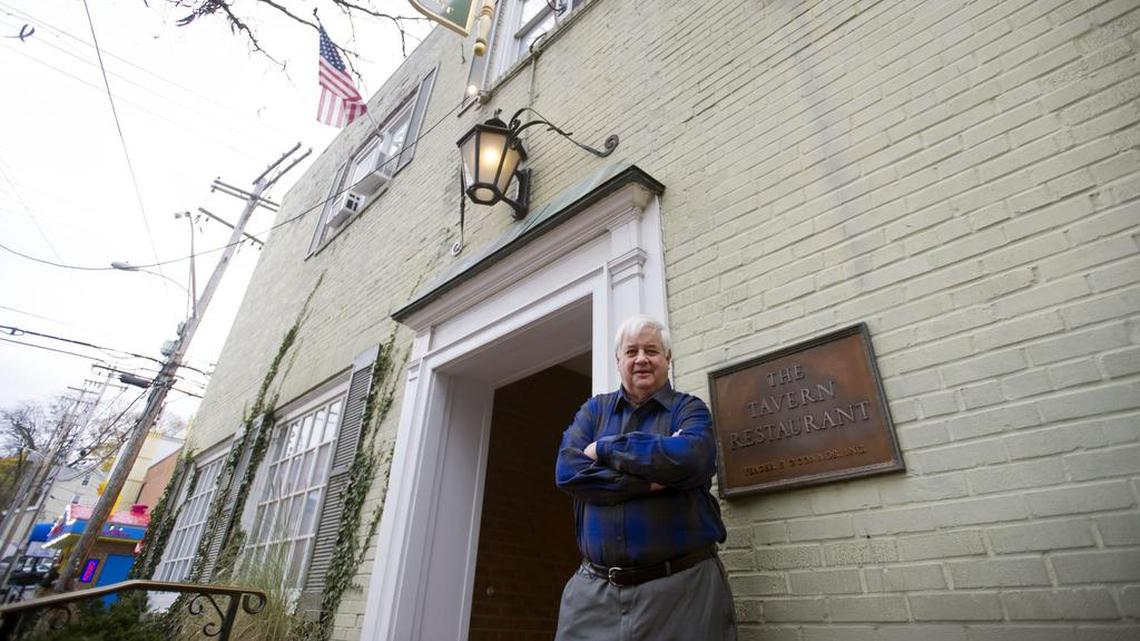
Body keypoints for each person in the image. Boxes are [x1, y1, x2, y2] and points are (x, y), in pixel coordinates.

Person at [554, 315, 736, 641]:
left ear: (667, 358)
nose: (641, 359)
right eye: (632, 351)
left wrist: (604, 448)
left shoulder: (689, 410)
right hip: (593, 595)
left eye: (651, 350)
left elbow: (693, 459)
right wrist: (647, 481)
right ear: (618, 360)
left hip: (682, 592)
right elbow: (568, 472)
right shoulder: (594, 412)